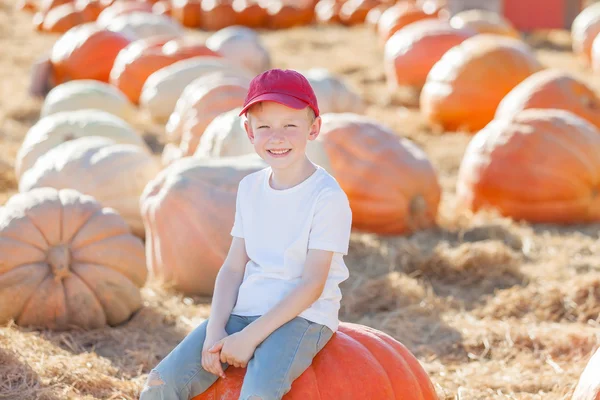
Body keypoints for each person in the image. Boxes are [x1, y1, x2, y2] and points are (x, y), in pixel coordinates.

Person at [140, 68, 353, 400]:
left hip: (303, 317)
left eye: (290, 126)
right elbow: (233, 268)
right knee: (159, 386)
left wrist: (251, 337)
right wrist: (215, 330)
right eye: (264, 126)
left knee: (258, 394)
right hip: (245, 309)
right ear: (249, 132)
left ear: (314, 129)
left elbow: (312, 285)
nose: (276, 136)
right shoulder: (250, 188)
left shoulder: (327, 197)